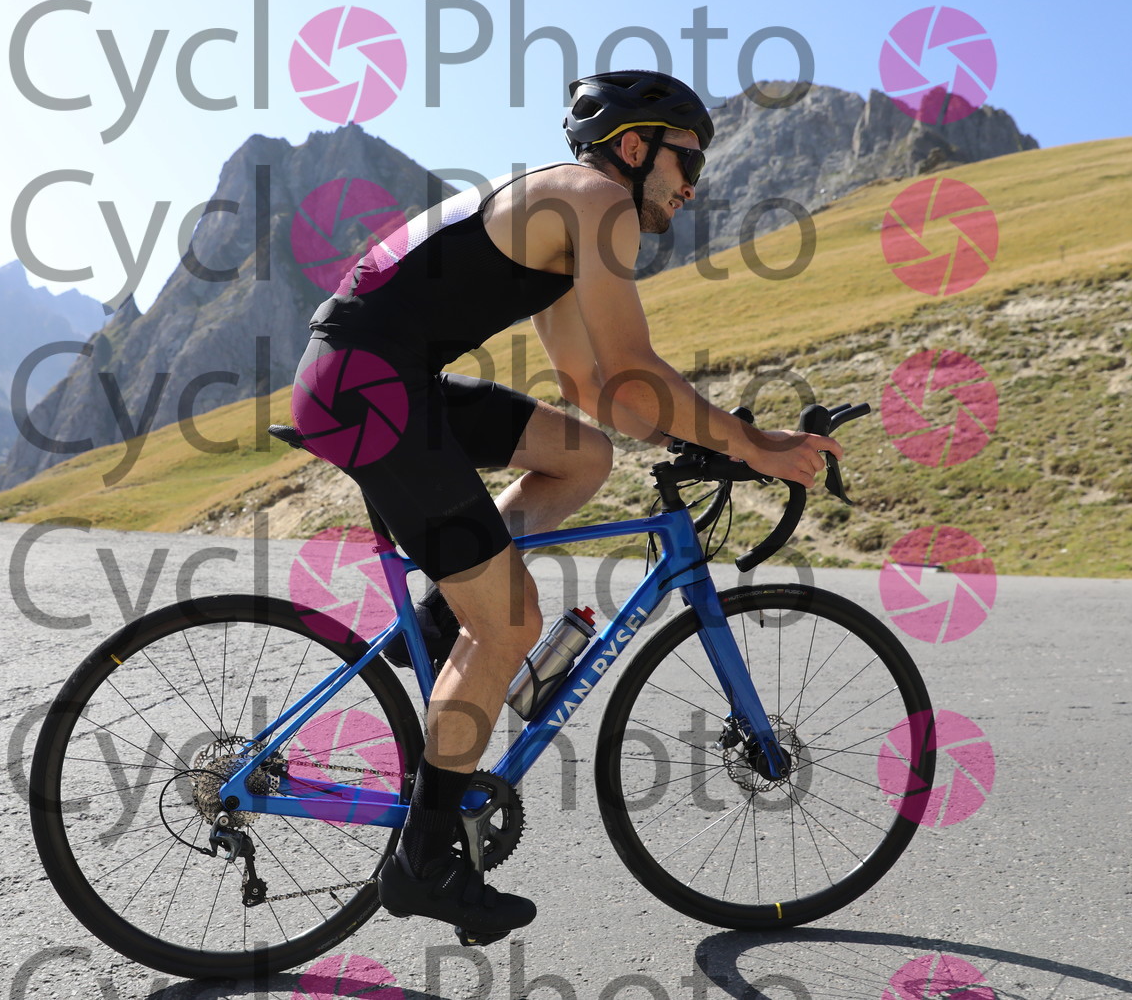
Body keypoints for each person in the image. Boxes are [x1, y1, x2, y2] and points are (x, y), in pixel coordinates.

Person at [288, 69, 843, 939]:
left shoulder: (561, 209)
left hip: (373, 376)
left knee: (582, 453)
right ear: (635, 147)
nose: (692, 186)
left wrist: (692, 440)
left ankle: (441, 620)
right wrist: (755, 444)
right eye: (688, 162)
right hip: (371, 388)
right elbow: (633, 365)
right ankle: (423, 860)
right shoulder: (600, 202)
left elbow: (593, 387)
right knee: (510, 621)